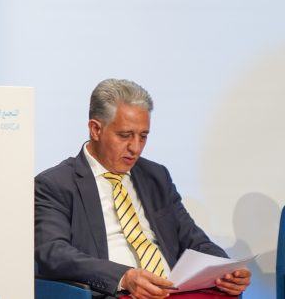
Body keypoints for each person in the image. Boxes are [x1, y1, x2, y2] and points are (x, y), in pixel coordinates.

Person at [35, 79, 251, 299]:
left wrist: (226, 269)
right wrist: (123, 277)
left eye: (143, 136)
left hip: (172, 290)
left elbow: (193, 239)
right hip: (117, 293)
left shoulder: (156, 176)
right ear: (96, 129)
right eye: (125, 136)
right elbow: (53, 252)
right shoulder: (56, 183)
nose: (136, 148)